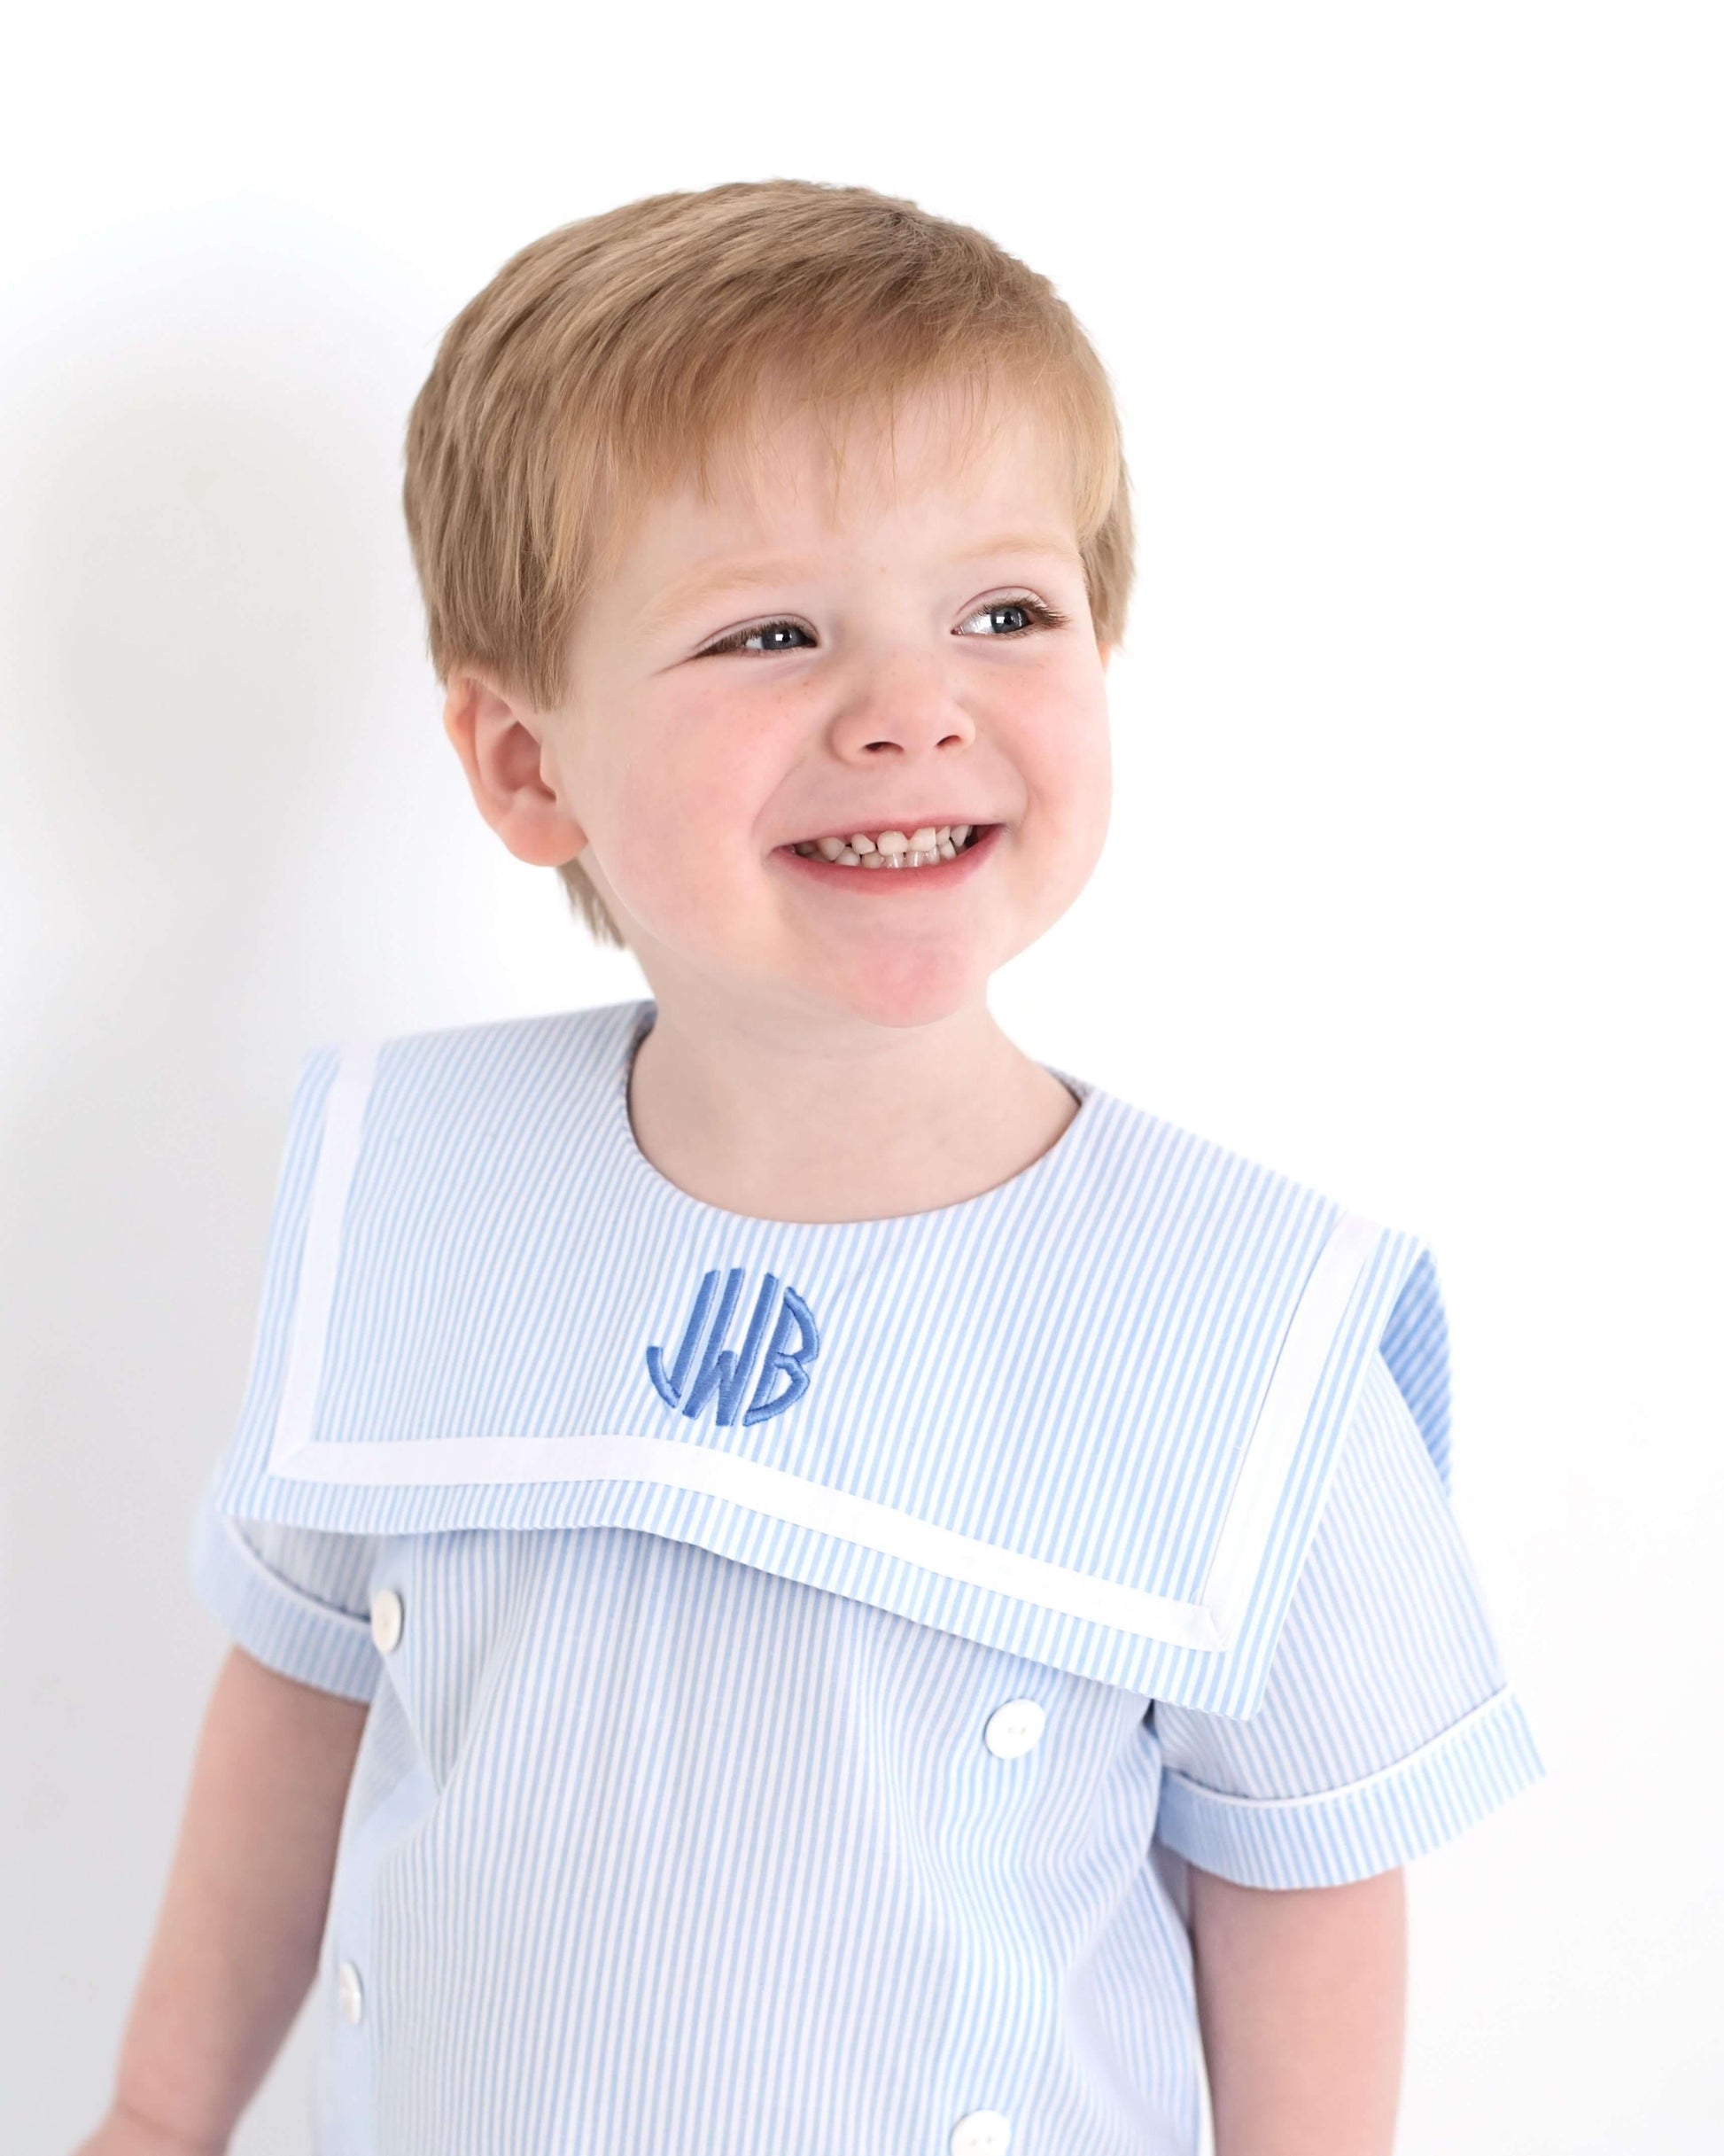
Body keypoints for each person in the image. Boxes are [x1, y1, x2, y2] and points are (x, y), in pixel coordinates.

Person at [75, 179, 1544, 2156]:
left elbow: (1308, 1893)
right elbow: (299, 1700)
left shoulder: (1246, 1332)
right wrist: (158, 2119)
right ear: (527, 765)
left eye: (1001, 613)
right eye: (773, 629)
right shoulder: (415, 1199)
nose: (911, 707)